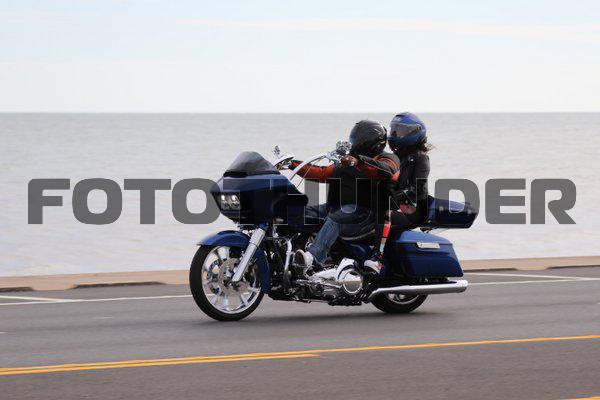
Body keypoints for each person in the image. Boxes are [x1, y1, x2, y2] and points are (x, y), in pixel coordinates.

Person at [291, 120, 400, 273]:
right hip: (341, 208)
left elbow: (388, 171)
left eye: (358, 139)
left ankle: (313, 258)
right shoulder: (349, 160)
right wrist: (292, 165)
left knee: (338, 217)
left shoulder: (387, 159)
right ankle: (291, 254)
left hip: (367, 214)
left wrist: (358, 161)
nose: (354, 142)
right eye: (354, 137)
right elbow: (321, 173)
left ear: (371, 142)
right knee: (300, 213)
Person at [364, 112, 431, 271]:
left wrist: (390, 197)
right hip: (396, 204)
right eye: (394, 130)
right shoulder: (394, 157)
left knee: (384, 213)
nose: (395, 135)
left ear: (414, 133)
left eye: (400, 131)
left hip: (413, 210)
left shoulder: (421, 158)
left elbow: (416, 189)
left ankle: (377, 258)